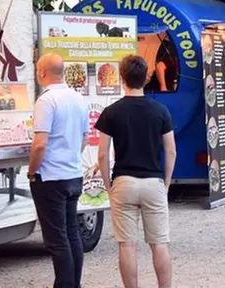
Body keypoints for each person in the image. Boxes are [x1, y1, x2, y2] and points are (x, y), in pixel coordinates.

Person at [96, 55, 176, 288]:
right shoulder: (160, 111)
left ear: (122, 79)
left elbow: (102, 154)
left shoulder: (111, 112)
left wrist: (108, 185)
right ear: (147, 77)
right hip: (153, 182)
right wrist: (167, 183)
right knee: (159, 243)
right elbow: (170, 151)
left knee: (127, 244)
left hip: (124, 181)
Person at [27, 54, 89, 288]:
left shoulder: (46, 101)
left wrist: (32, 171)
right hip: (73, 173)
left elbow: (40, 143)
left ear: (42, 73)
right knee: (72, 233)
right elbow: (84, 139)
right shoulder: (78, 98)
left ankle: (64, 284)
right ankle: (74, 284)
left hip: (51, 176)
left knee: (57, 239)